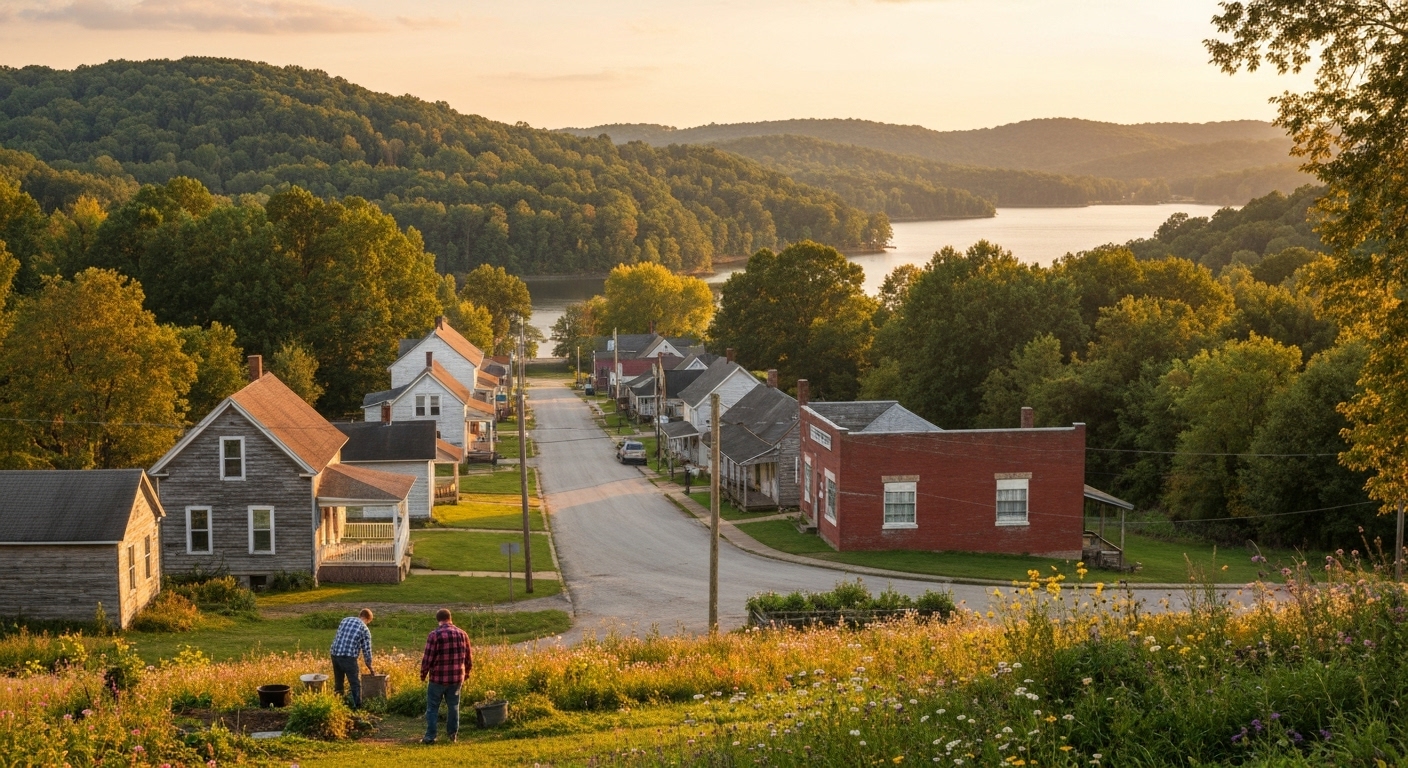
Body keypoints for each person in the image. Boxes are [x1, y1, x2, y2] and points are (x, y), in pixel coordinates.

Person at [420, 607, 473, 744]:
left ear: (438, 620)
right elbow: (468, 657)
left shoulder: (434, 635)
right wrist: (466, 673)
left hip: (437, 678)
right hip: (456, 678)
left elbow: (428, 658)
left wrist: (423, 673)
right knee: (454, 706)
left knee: (432, 708)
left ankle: (430, 736)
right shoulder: (463, 634)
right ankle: (452, 735)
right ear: (450, 618)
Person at [330, 608, 375, 709]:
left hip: (334, 653)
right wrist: (370, 667)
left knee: (338, 682)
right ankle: (357, 708)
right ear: (368, 619)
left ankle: (338, 705)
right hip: (348, 657)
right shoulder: (364, 629)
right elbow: (367, 651)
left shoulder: (345, 620)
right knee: (355, 683)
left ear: (360, 615)